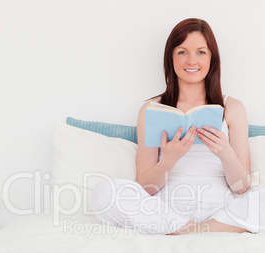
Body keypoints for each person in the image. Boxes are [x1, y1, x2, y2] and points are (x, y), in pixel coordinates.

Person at [91, 18, 265, 235]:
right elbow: (145, 188)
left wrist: (225, 153)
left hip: (221, 211)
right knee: (104, 192)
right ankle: (185, 228)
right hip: (168, 212)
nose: (191, 60)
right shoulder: (151, 109)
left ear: (212, 57)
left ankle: (202, 229)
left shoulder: (233, 107)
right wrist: (169, 160)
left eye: (201, 52)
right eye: (182, 52)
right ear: (171, 58)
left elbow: (242, 187)